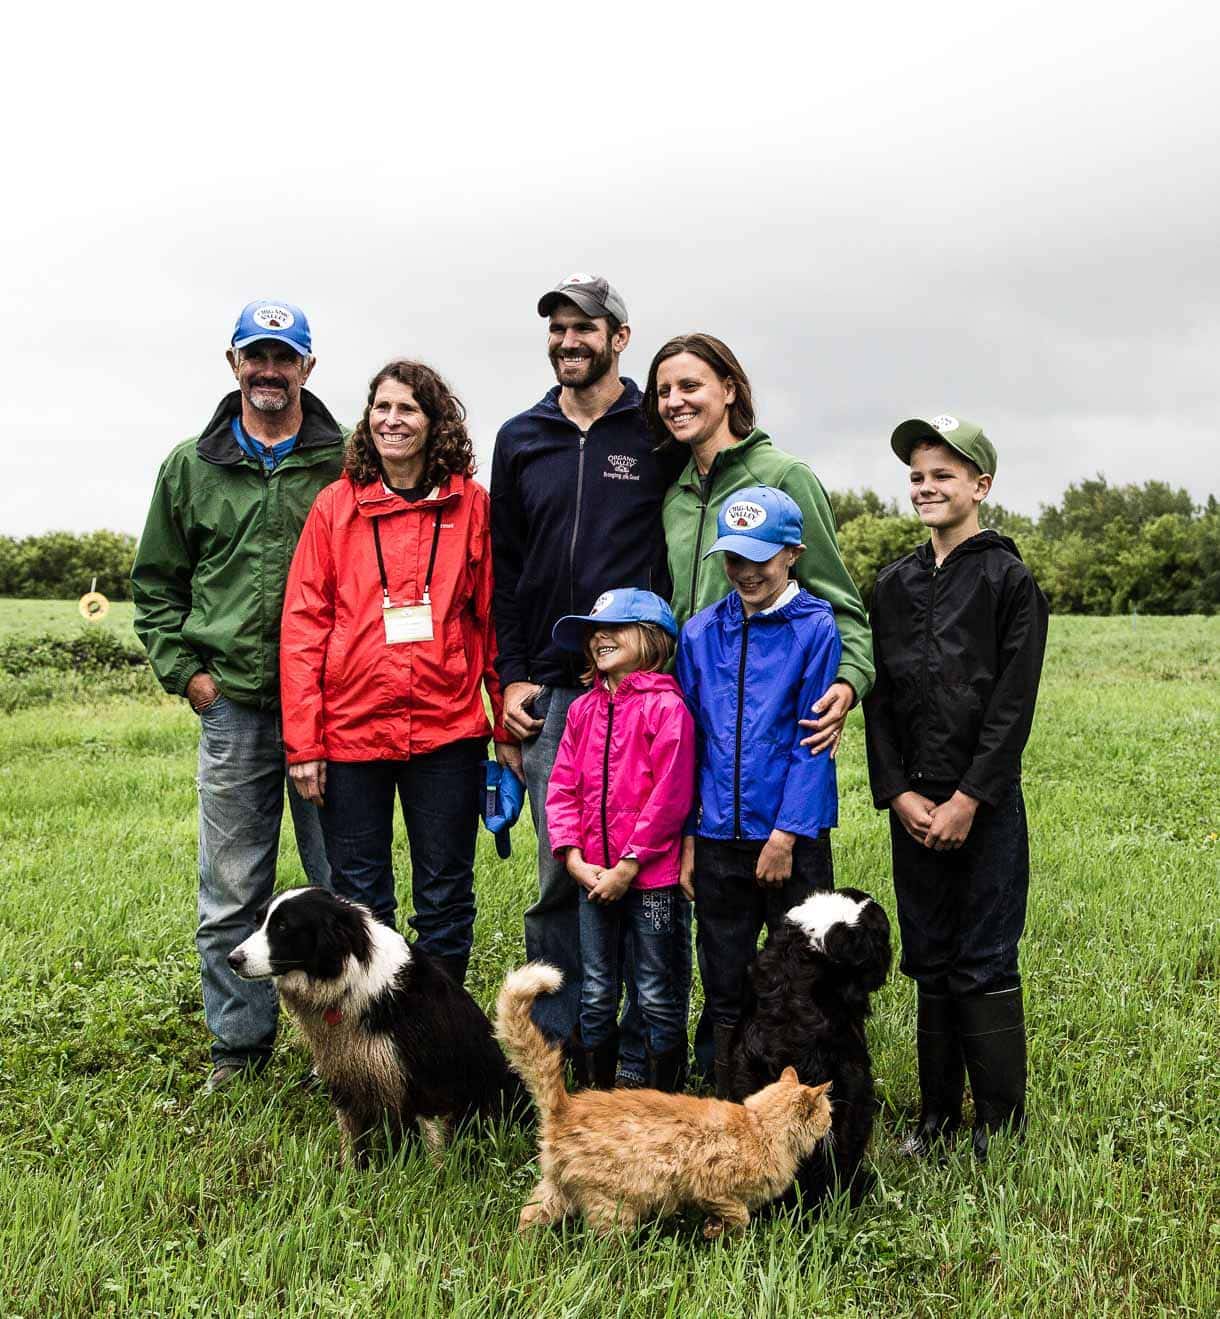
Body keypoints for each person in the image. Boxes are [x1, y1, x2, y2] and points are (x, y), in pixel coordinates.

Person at [131, 299, 342, 1093]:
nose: (269, 370)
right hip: (237, 709)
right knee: (231, 888)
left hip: (329, 707)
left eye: (284, 357)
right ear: (233, 363)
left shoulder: (343, 459)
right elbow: (156, 585)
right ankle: (239, 1053)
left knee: (340, 886)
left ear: (307, 368)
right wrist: (191, 678)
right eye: (255, 355)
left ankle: (343, 1046)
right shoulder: (190, 466)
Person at [490, 273, 686, 1052]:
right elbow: (502, 572)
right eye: (558, 328)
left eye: (585, 327)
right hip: (551, 699)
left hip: (639, 696)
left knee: (646, 876)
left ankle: (644, 1049)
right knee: (556, 880)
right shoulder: (520, 438)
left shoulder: (654, 433)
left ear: (619, 338)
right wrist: (509, 677)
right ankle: (561, 1049)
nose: (569, 340)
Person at [279, 360, 516, 989]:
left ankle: (437, 1034)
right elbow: (304, 628)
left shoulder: (472, 505)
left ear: (435, 421)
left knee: (445, 897)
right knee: (359, 901)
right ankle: (368, 1037)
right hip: (352, 734)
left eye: (408, 408)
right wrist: (304, 743)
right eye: (381, 407)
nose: (392, 420)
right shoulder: (335, 506)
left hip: (448, 732)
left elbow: (492, 620)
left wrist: (505, 729)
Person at [863, 415, 1048, 1161]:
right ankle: (937, 1118)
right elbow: (876, 701)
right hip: (915, 804)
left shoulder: (1009, 579)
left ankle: (998, 1126)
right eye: (917, 475)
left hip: (986, 803)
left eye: (944, 474)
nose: (927, 486)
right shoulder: (892, 586)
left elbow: (1013, 703)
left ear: (981, 485)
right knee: (929, 957)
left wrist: (971, 797)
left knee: (985, 957)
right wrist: (898, 792)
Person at [676, 486, 841, 1097]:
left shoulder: (816, 629)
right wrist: (691, 835)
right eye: (734, 558)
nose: (746, 571)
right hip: (717, 836)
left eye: (761, 557)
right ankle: (727, 1103)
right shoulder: (699, 634)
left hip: (788, 840)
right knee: (724, 980)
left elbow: (813, 743)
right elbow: (689, 745)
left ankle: (803, 1109)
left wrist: (786, 834)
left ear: (793, 554)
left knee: (800, 978)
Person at [645, 333, 872, 757]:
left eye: (690, 386)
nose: (674, 401)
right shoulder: (675, 495)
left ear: (729, 389)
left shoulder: (785, 476)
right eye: (663, 392)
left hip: (766, 718)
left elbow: (840, 601)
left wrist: (847, 681)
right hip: (686, 718)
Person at [545, 589, 696, 1092]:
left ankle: (663, 1100)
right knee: (595, 990)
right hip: (592, 877)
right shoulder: (583, 711)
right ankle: (595, 1100)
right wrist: (571, 855)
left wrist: (630, 864)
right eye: (593, 631)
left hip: (650, 880)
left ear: (652, 639)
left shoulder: (667, 708)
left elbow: (670, 796)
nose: (599, 637)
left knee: (654, 989)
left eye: (616, 627)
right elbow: (562, 786)